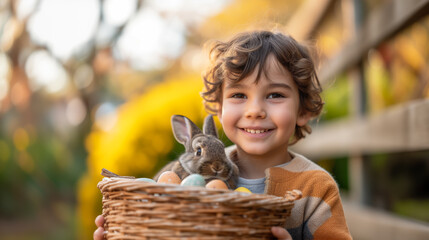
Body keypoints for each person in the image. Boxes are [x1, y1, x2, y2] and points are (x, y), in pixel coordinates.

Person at [94, 30, 352, 240]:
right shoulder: (194, 175)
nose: (255, 111)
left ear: (303, 111)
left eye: (275, 95)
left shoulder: (316, 188)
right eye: (239, 95)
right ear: (219, 109)